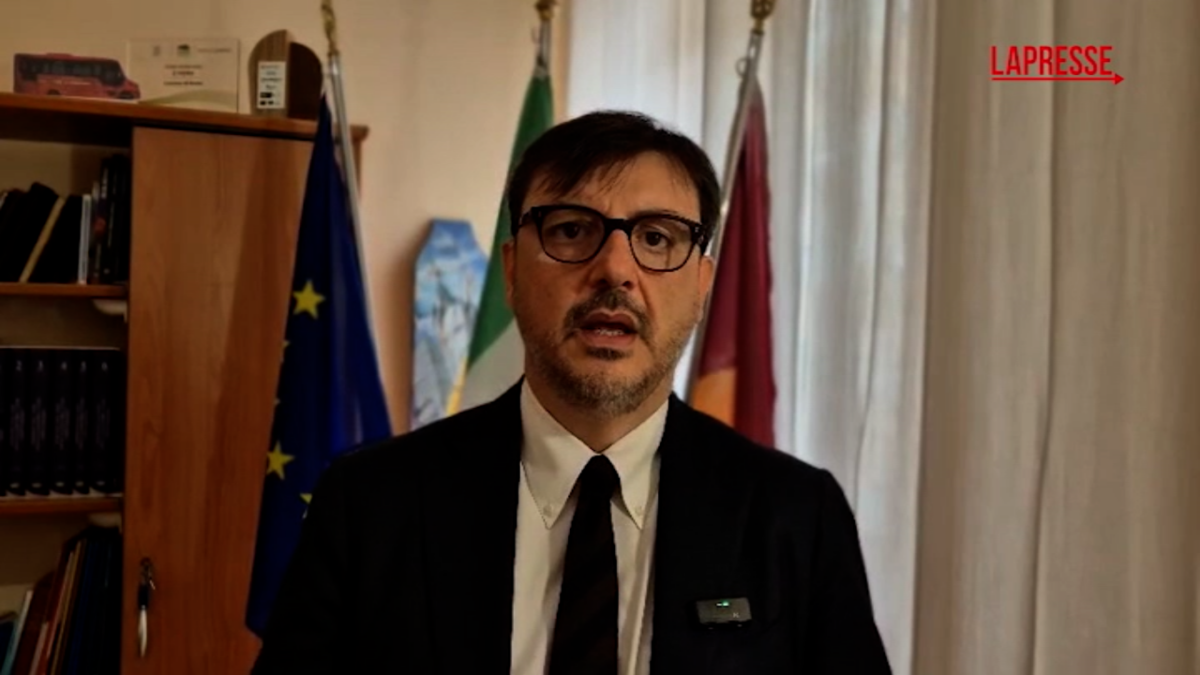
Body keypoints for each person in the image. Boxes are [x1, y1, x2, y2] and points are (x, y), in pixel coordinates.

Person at [251, 111, 891, 675]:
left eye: (656, 238)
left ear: (702, 286)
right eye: (570, 231)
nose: (614, 269)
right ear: (511, 271)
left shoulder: (795, 518)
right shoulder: (371, 504)